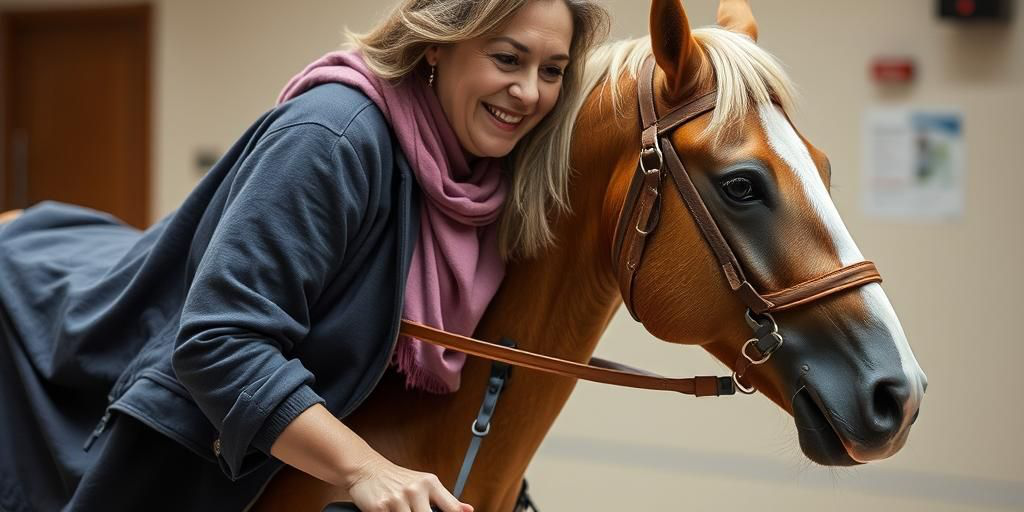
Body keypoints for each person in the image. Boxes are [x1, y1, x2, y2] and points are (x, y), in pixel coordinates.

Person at [0, 0, 609, 510]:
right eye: (508, 58)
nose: (529, 93)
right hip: (76, 368)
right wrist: (365, 469)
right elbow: (219, 342)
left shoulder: (488, 178)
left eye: (552, 70)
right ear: (437, 45)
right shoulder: (333, 136)